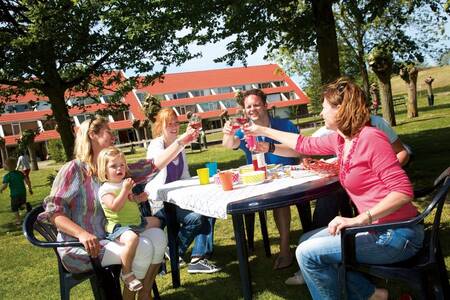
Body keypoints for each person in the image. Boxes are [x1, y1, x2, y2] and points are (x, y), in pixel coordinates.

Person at [244, 77, 422, 300]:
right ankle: (372, 294)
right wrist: (262, 130)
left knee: (307, 254)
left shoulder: (371, 138)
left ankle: (367, 294)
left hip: (396, 234)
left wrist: (358, 220)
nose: (321, 113)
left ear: (341, 110)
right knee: (305, 241)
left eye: (325, 108)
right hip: (378, 229)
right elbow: (303, 144)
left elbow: (403, 191)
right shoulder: (342, 140)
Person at [39, 115, 198, 300]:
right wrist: (81, 234)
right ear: (92, 135)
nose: (114, 137)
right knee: (144, 246)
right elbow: (53, 213)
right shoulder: (74, 169)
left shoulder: (112, 167)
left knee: (158, 237)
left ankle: (144, 294)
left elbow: (151, 166)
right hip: (83, 248)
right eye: (109, 132)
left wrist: (182, 141)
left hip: (111, 235)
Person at [222, 88, 312, 270]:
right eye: (248, 106)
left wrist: (270, 147)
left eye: (256, 105)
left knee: (280, 199)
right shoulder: (245, 129)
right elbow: (229, 144)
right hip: (260, 179)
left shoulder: (284, 125)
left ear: (265, 105)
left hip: (289, 176)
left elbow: (301, 150)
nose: (252, 109)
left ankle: (285, 249)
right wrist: (228, 133)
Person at [146, 108, 221, 274]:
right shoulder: (156, 146)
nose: (174, 127)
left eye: (176, 123)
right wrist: (181, 141)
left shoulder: (180, 147)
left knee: (210, 208)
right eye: (169, 124)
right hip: (160, 203)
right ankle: (174, 250)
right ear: (160, 127)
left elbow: (185, 175)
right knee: (197, 217)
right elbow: (160, 162)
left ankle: (198, 258)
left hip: (178, 199)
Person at [97, 146, 162, 291]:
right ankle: (127, 273)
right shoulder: (106, 189)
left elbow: (130, 200)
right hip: (120, 227)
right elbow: (115, 206)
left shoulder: (124, 183)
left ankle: (161, 255)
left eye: (122, 165)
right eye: (113, 166)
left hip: (135, 222)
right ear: (104, 170)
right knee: (132, 239)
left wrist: (139, 198)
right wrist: (125, 190)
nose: (119, 169)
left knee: (157, 221)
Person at [1, 157, 33, 225]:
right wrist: (30, 189)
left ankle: (18, 220)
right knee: (21, 205)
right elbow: (27, 181)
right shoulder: (20, 173)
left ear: (7, 167)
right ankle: (25, 205)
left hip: (14, 195)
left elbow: (5, 185)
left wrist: (1, 189)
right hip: (23, 193)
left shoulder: (7, 176)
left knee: (14, 207)